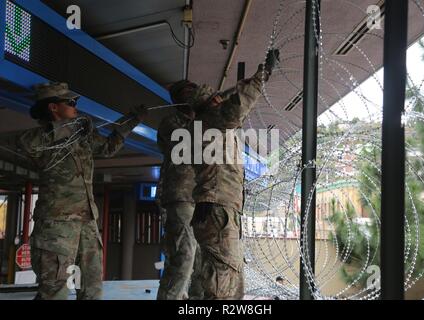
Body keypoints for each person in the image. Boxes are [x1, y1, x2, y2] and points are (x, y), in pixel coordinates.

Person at [16, 82, 146, 299]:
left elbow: (108, 147)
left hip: (86, 222)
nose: (75, 106)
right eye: (70, 102)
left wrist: (131, 121)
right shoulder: (39, 138)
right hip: (57, 225)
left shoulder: (82, 136)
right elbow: (26, 144)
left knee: (92, 288)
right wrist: (69, 127)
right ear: (53, 107)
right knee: (54, 291)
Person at [169, 49, 280, 299]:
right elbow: (238, 107)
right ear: (211, 103)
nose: (221, 100)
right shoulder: (211, 119)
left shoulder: (204, 124)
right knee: (223, 280)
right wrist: (264, 73)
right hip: (218, 210)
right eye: (217, 99)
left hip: (218, 208)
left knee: (225, 275)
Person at [156, 101, 203, 300]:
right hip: (180, 195)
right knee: (184, 254)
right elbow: (184, 145)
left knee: (201, 257)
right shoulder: (171, 123)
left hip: (200, 196)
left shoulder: (200, 123)